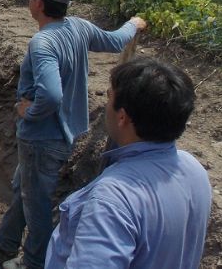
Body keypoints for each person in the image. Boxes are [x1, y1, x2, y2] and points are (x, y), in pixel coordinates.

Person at [0, 0, 147, 269]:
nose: (29, 0)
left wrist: (30, 112)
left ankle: (33, 263)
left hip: (41, 138)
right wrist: (133, 25)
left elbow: (50, 94)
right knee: (23, 185)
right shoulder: (79, 27)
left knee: (36, 205)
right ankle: (6, 241)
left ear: (38, 2)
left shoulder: (43, 43)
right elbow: (115, 41)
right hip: (64, 134)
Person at [45, 57, 211, 268]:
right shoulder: (193, 169)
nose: (106, 104)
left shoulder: (112, 199)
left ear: (122, 117)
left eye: (108, 96)